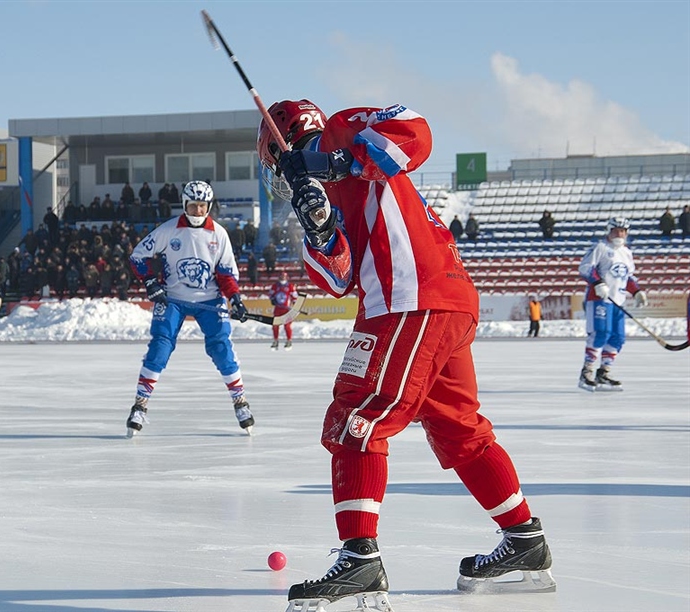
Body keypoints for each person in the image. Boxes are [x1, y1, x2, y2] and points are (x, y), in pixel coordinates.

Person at [257, 99, 555, 608]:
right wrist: (323, 226)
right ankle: (524, 539)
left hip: (409, 297)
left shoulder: (344, 128)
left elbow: (416, 130)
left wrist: (333, 162)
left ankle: (360, 559)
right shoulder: (317, 197)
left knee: (358, 413)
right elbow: (336, 277)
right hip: (443, 302)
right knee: (460, 429)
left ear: (279, 148)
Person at [126, 180, 253, 437]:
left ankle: (240, 400)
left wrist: (235, 299)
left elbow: (226, 274)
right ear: (184, 204)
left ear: (209, 206)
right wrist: (151, 282)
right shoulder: (169, 230)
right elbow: (138, 256)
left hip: (210, 300)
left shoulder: (218, 234)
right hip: (173, 298)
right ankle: (140, 405)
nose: (197, 211)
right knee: (160, 346)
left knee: (221, 348)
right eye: (192, 206)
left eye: (202, 206)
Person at [577, 217, 647, 392]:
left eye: (623, 231)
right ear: (609, 231)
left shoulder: (626, 253)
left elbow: (628, 277)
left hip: (618, 302)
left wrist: (637, 291)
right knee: (601, 333)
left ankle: (604, 372)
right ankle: (587, 372)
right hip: (600, 299)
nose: (620, 234)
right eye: (616, 230)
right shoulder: (601, 248)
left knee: (617, 338)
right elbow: (586, 267)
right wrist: (598, 283)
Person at [268, 271, 298, 350]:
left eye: (284, 277)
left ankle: (289, 341)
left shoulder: (290, 286)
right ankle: (275, 340)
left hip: (286, 310)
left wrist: (294, 304)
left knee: (287, 326)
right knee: (275, 326)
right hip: (278, 309)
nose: (282, 278)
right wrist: (272, 299)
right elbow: (271, 294)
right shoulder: (275, 286)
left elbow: (294, 296)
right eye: (281, 276)